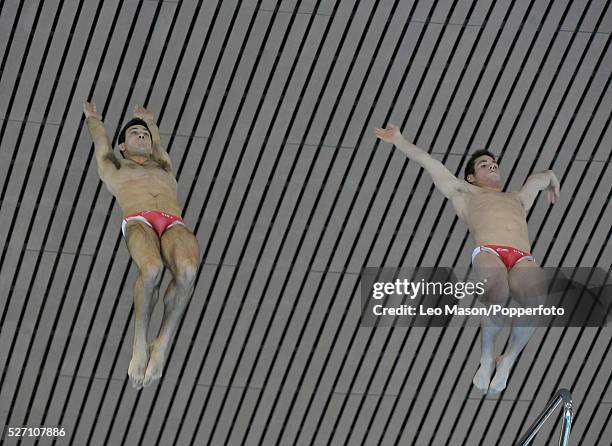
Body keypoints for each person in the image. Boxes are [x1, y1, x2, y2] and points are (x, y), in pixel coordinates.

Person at [373, 124, 560, 394]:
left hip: (522, 258)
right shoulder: (464, 193)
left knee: (535, 303)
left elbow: (539, 179)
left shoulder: (518, 198)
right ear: (471, 177)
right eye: (484, 164)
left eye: (494, 163)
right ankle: (486, 357)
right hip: (489, 252)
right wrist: (399, 140)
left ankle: (507, 359)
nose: (492, 166)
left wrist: (553, 179)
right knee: (496, 294)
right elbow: (429, 162)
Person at [83, 102, 199, 389]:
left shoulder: (163, 164)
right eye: (135, 133)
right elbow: (101, 144)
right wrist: (94, 121)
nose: (142, 136)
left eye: (145, 134)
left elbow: (158, 143)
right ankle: (140, 344)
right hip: (138, 219)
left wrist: (151, 123)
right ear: (122, 146)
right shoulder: (113, 165)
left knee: (187, 271)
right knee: (151, 268)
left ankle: (162, 342)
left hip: (173, 221)